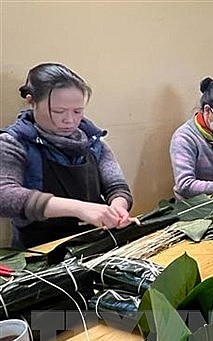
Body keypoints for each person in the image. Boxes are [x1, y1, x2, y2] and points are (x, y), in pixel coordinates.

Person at [0, 63, 135, 248]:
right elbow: (4, 195)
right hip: (39, 252)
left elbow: (117, 186)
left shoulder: (93, 141)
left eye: (78, 111)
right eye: (58, 111)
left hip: (93, 244)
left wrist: (117, 208)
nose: (70, 120)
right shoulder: (14, 143)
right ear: (30, 101)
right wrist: (79, 208)